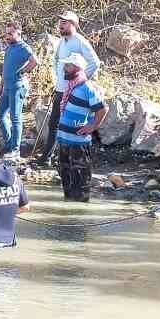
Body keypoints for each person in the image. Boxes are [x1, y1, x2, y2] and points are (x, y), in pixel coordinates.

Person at [36, 11, 101, 164]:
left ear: (73, 24)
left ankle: (66, 158)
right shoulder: (61, 41)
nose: (61, 25)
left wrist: (80, 80)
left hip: (73, 91)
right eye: (60, 22)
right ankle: (48, 157)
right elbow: (57, 62)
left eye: (64, 23)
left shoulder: (80, 41)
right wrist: (58, 80)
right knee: (54, 123)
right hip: (60, 89)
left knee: (68, 125)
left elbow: (95, 63)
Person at [54, 53, 108, 202]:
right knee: (67, 183)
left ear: (77, 68)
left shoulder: (87, 87)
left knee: (81, 185)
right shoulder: (71, 86)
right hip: (64, 141)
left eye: (68, 66)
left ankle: (79, 219)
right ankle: (67, 217)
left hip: (79, 144)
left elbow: (102, 109)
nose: (65, 68)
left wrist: (93, 126)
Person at [0, 23, 39, 161]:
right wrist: (1, 84)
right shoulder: (9, 48)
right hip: (7, 87)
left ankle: (15, 150)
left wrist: (23, 71)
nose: (7, 36)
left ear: (18, 34)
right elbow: (5, 68)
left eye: (10, 34)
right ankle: (9, 143)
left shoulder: (24, 47)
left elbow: (35, 61)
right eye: (6, 33)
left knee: (15, 117)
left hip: (17, 87)